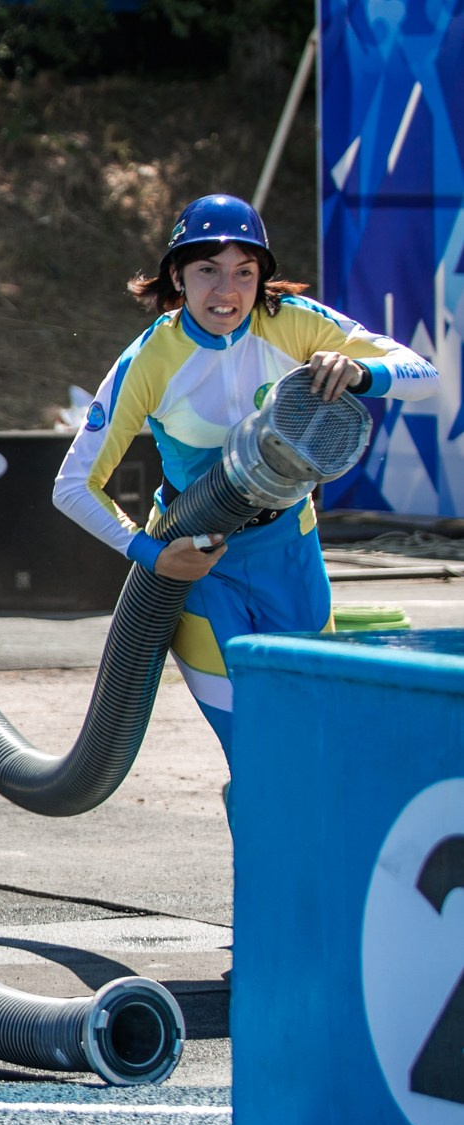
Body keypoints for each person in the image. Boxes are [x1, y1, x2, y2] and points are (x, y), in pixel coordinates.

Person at [53, 195, 437, 750]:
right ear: (178, 277)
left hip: (292, 552)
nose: (226, 291)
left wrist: (360, 371)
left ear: (262, 278)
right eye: (207, 270)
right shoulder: (150, 359)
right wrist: (152, 554)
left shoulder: (295, 323)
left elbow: (423, 374)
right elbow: (72, 487)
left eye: (244, 272)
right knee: (255, 748)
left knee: (315, 738)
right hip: (203, 567)